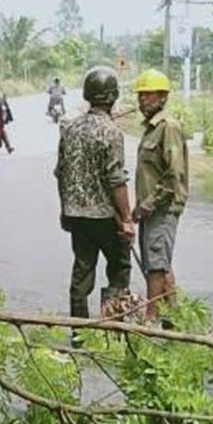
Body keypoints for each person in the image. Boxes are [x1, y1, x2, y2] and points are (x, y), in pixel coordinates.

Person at [54, 66, 134, 320]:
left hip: (77, 215)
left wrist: (65, 209)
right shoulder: (111, 132)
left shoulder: (69, 129)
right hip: (106, 217)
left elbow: (61, 173)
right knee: (119, 268)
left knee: (82, 270)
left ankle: (80, 332)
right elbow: (116, 181)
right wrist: (127, 219)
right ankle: (111, 327)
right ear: (113, 97)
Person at [131, 69, 188, 321]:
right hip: (150, 208)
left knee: (155, 265)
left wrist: (150, 203)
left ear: (163, 97)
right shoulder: (151, 128)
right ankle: (174, 319)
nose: (143, 100)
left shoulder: (168, 127)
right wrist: (140, 206)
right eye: (140, 95)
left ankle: (150, 320)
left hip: (163, 208)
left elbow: (174, 174)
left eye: (148, 95)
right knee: (159, 262)